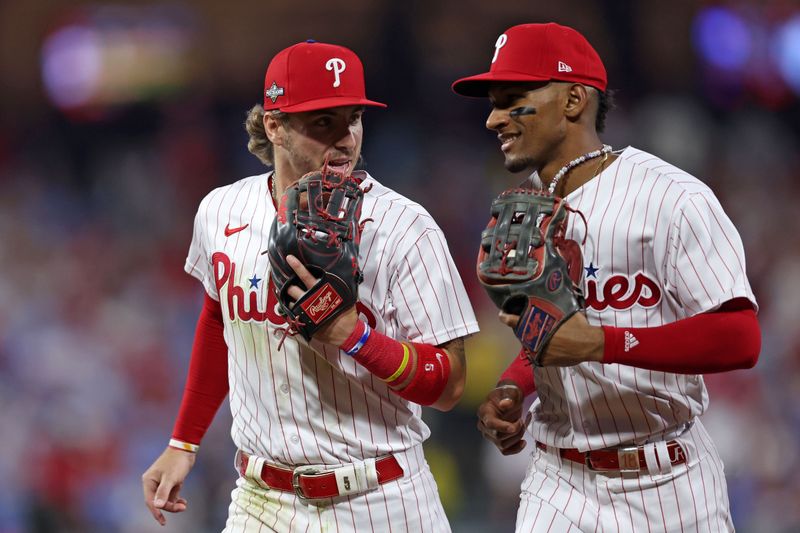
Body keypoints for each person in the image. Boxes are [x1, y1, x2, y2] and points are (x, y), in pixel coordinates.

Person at [142, 39, 479, 532]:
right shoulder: (222, 211)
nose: (346, 139)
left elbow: (450, 384)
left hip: (380, 497)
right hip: (262, 500)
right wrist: (183, 442)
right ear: (274, 125)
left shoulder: (405, 226)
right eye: (324, 122)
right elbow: (219, 319)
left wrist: (355, 337)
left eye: (354, 119)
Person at [452, 23, 761, 532]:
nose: (493, 119)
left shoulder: (671, 198)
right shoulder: (520, 212)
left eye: (512, 100)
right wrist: (513, 385)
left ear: (573, 100)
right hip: (557, 480)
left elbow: (739, 338)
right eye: (493, 102)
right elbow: (552, 338)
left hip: (668, 481)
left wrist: (600, 342)